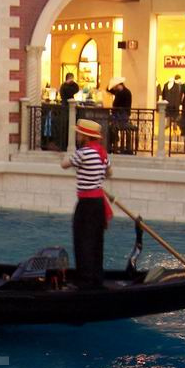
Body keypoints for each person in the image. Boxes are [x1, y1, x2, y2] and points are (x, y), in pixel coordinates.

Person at [60, 119, 113, 289]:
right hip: (98, 203)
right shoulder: (102, 153)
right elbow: (109, 173)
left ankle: (85, 282)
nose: (77, 135)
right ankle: (96, 279)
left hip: (86, 204)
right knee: (96, 241)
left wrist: (64, 155)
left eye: (78, 133)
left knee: (82, 240)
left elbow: (64, 165)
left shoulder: (82, 153)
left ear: (84, 135)